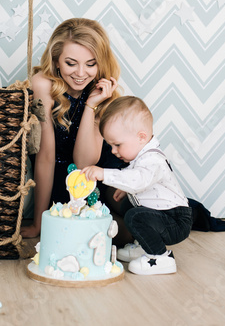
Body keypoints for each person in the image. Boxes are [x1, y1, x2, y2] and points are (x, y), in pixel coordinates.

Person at [21, 18, 121, 238]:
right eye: (71, 63)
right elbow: (46, 156)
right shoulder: (43, 85)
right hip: (64, 178)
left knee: (131, 206)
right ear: (56, 61)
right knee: (101, 232)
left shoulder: (101, 89)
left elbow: (86, 162)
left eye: (90, 64)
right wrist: (38, 224)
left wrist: (91, 105)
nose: (81, 73)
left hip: (97, 169)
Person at [81, 96, 193, 275]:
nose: (113, 151)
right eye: (110, 145)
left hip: (176, 221)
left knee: (135, 216)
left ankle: (161, 257)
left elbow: (138, 180)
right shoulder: (142, 156)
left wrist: (103, 173)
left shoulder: (152, 159)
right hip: (163, 215)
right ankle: (145, 246)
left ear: (141, 137)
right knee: (129, 205)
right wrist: (125, 188)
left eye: (117, 145)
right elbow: (138, 179)